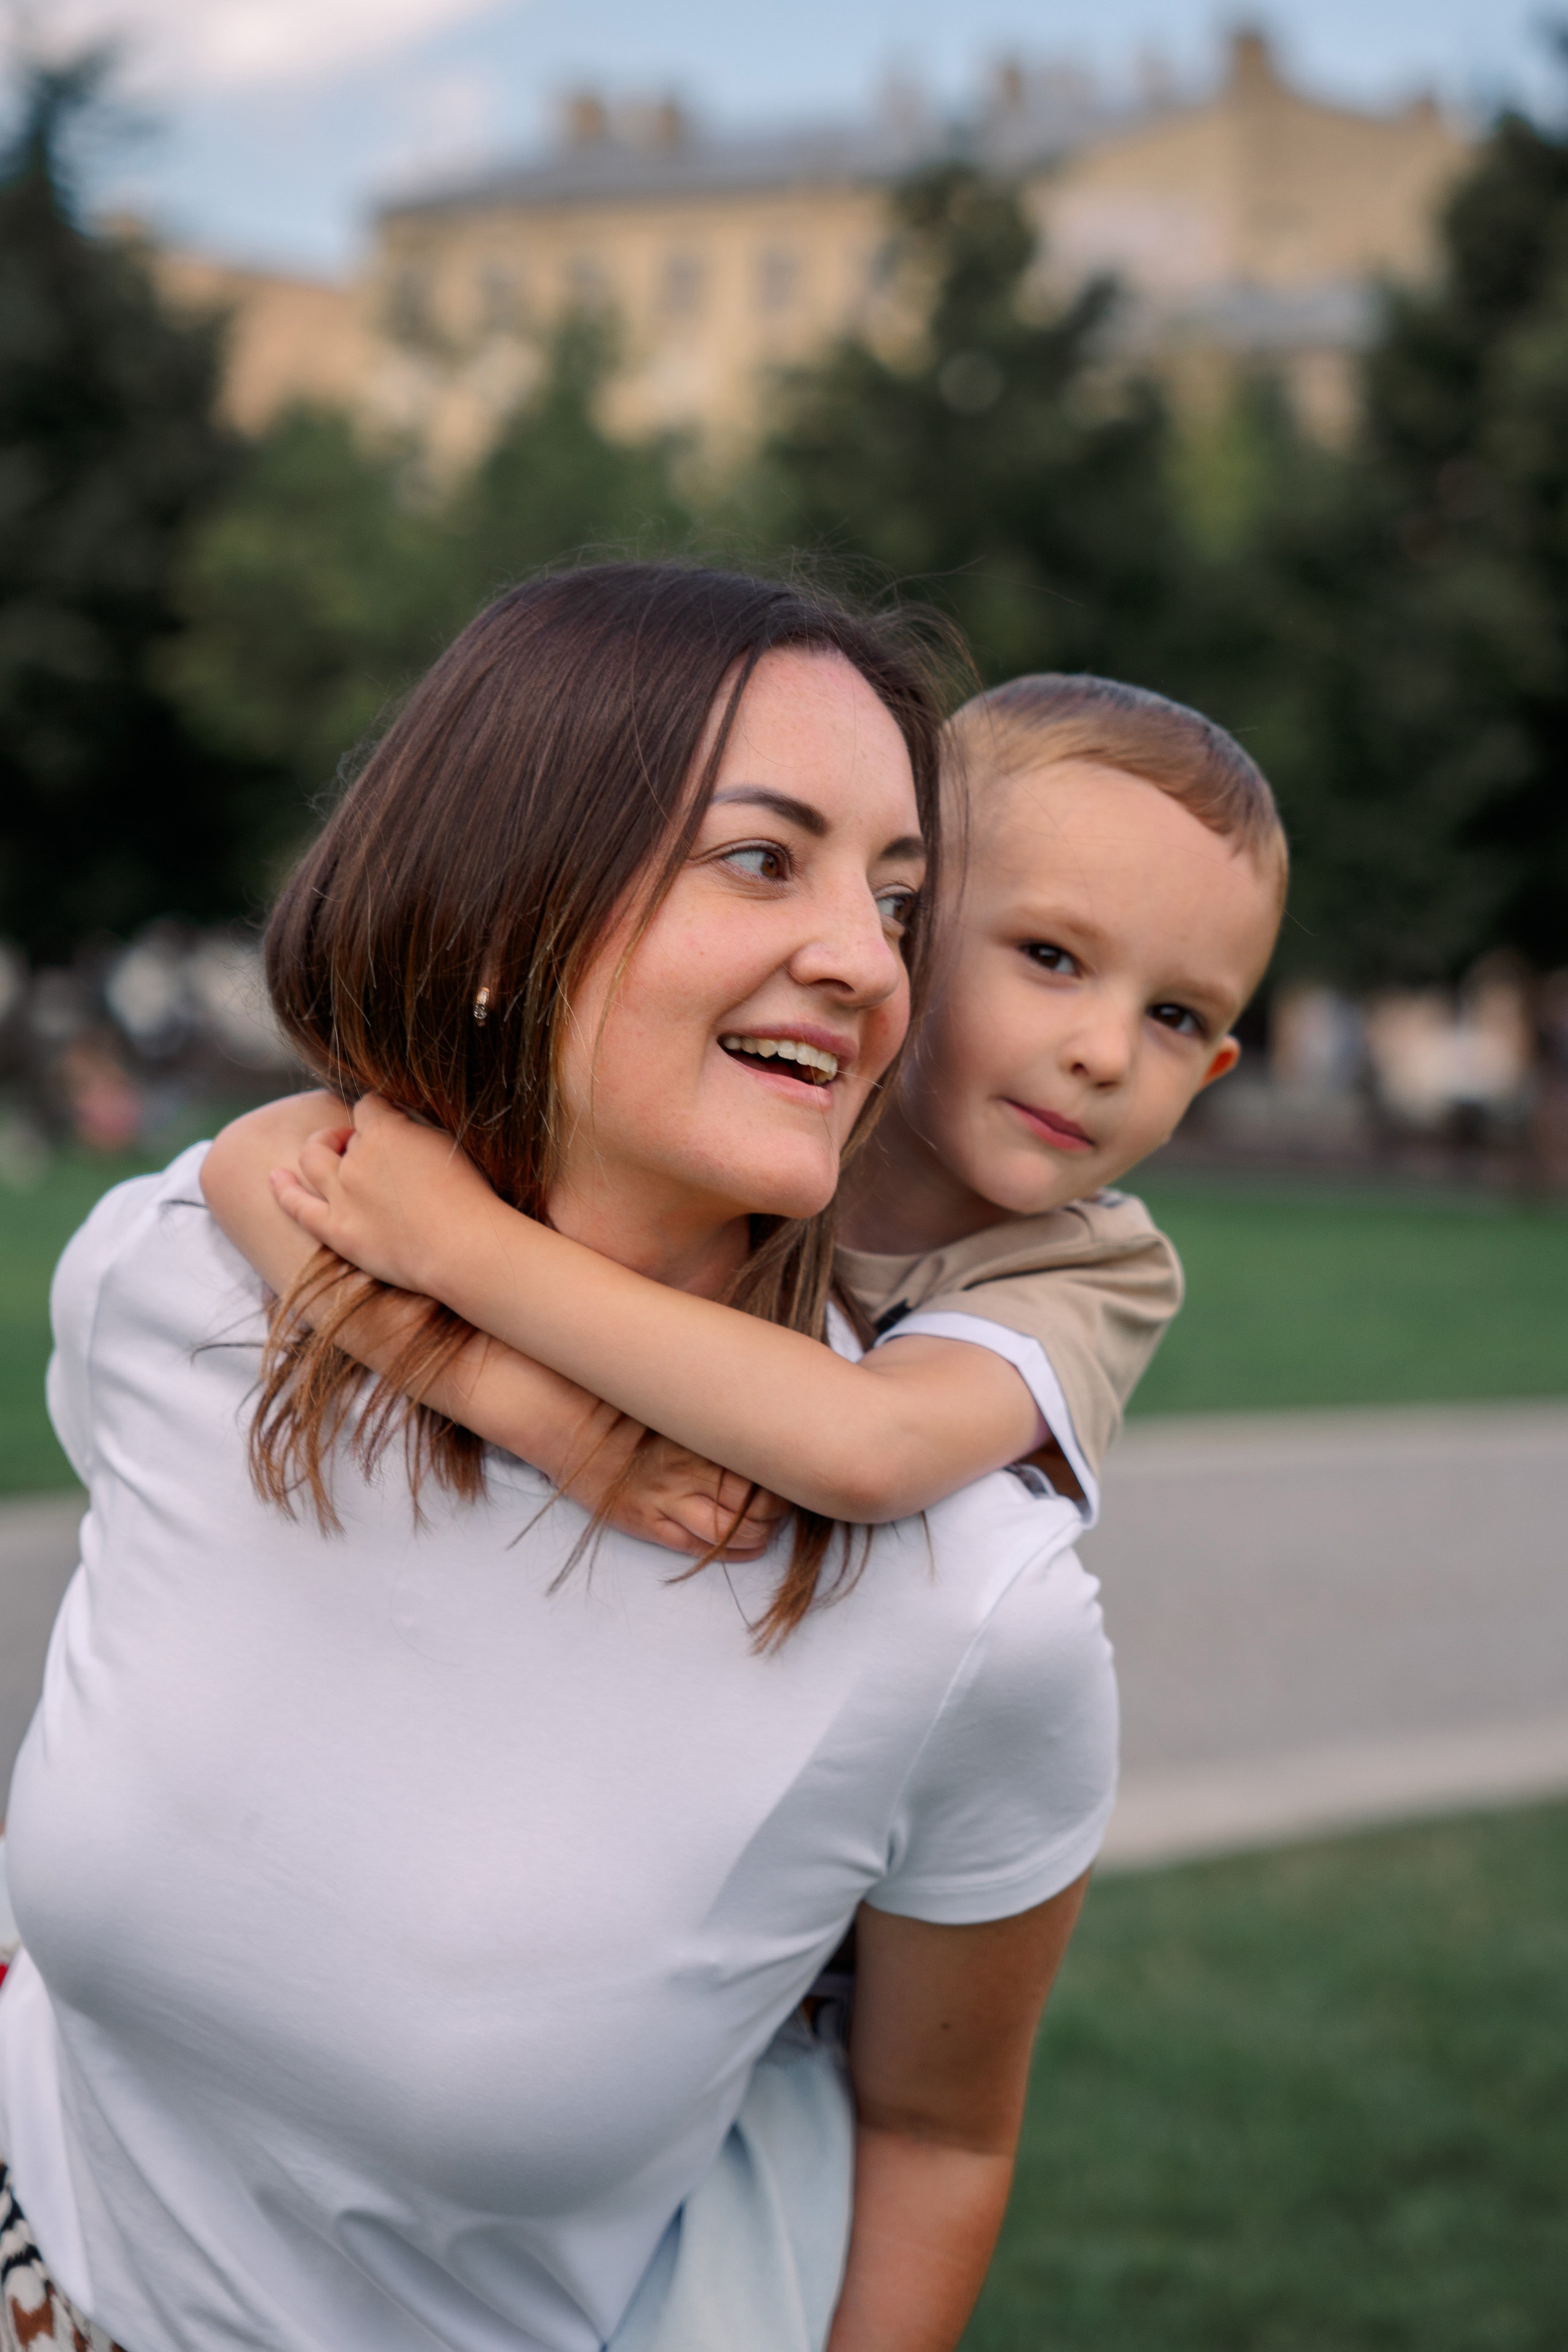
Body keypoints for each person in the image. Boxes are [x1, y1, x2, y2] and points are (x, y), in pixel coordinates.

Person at [0, 566, 1118, 2352]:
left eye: (900, 901)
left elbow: (935, 2135)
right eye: (767, 859)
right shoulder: (173, 1290)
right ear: (511, 902)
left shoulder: (969, 1610)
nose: (861, 957)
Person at [206, 673, 1286, 1566]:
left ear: (1218, 1066)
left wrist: (460, 1248)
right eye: (1051, 958)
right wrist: (555, 1428)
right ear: (899, 929)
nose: (1105, 1053)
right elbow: (255, 1161)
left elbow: (872, 1446)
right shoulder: (745, 1118)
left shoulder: (1092, 1267)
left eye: (1177, 1018)